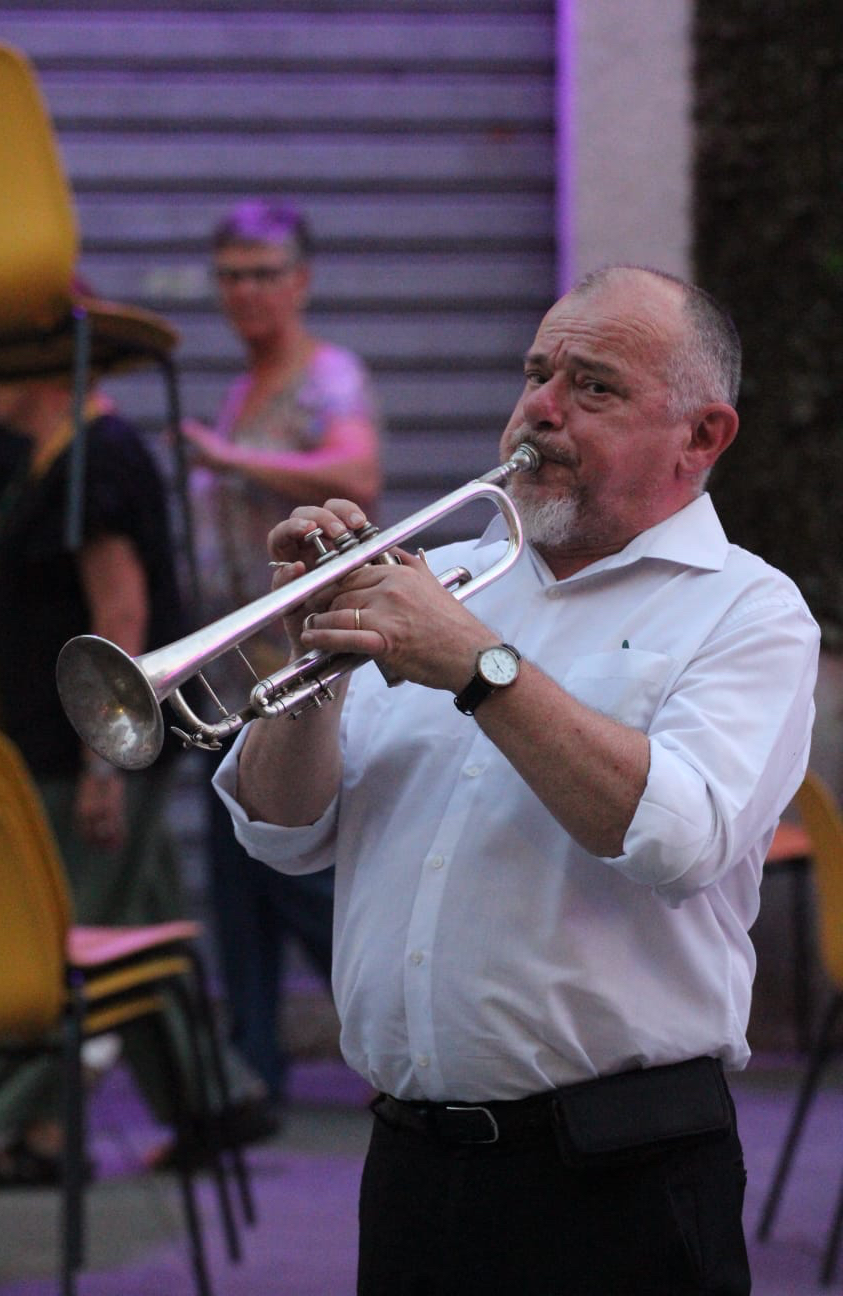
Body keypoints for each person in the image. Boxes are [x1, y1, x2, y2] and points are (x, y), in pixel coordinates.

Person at [212, 266, 820, 1294]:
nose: (541, 408)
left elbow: (678, 838)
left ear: (701, 436)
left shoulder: (748, 612)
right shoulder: (442, 576)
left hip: (619, 1175)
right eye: (538, 374)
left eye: (594, 387)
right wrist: (313, 662)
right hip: (411, 1165)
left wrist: (478, 666)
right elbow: (280, 829)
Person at [0, 285, 270, 1184]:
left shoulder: (96, 461)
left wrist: (104, 765)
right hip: (69, 743)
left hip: (92, 746)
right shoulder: (53, 459)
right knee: (135, 921)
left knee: (64, 933)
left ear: (48, 375)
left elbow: (122, 613)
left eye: (6, 364)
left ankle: (16, 1125)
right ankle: (213, 1102)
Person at [180, 199, 381, 1113]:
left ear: (300, 281)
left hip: (296, 675)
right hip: (236, 677)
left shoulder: (326, 377)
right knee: (240, 881)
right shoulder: (247, 387)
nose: (245, 291)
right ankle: (251, 1072)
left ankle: (399, 1010)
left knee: (291, 875)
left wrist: (226, 459)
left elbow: (355, 473)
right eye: (230, 275)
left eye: (263, 273)